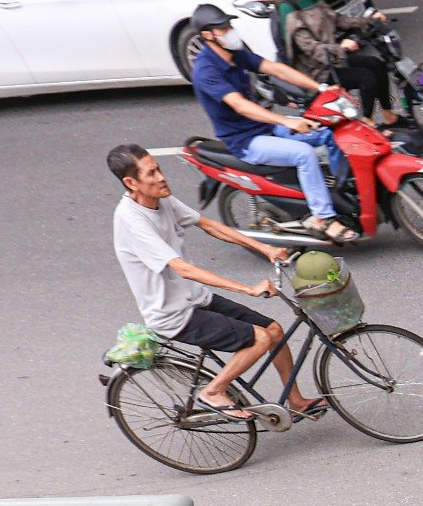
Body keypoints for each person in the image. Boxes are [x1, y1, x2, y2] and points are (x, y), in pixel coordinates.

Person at [107, 142, 324, 422]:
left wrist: (265, 249)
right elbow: (183, 269)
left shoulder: (161, 200)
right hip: (174, 315)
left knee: (274, 329)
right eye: (151, 173)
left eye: (158, 169)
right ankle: (213, 391)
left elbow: (208, 225)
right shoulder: (132, 220)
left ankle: (295, 401)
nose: (161, 177)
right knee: (260, 338)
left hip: (196, 298)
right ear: (131, 182)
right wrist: (248, 289)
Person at [184, 3, 359, 244]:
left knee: (332, 132)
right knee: (304, 154)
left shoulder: (235, 54)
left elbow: (276, 69)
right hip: (246, 141)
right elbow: (240, 106)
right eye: (223, 27)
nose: (230, 30)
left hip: (264, 128)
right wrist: (286, 120)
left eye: (229, 24)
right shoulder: (206, 70)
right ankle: (323, 217)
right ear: (208, 35)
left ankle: (341, 191)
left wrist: (320, 88)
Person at [268, 0, 392, 123]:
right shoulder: (288, 10)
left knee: (376, 64)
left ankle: (389, 116)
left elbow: (336, 19)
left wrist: (368, 21)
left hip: (332, 60)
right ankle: (367, 122)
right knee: (366, 77)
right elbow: (311, 48)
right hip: (316, 71)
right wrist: (341, 48)